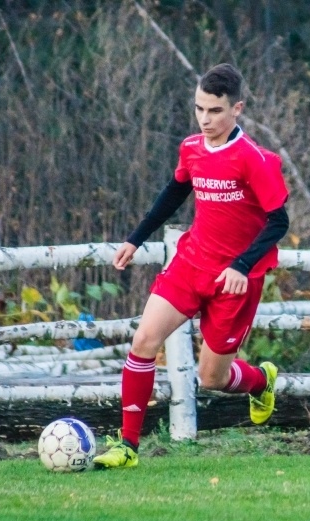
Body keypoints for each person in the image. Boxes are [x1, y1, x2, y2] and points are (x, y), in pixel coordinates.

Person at [94, 63, 290, 468]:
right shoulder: (192, 148)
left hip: (236, 280)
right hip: (191, 263)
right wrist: (135, 238)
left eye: (215, 111)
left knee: (212, 379)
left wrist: (241, 265)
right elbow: (174, 193)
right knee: (143, 342)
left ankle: (260, 380)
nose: (205, 119)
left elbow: (279, 220)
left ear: (237, 109)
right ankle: (127, 447)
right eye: (199, 108)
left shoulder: (256, 159)